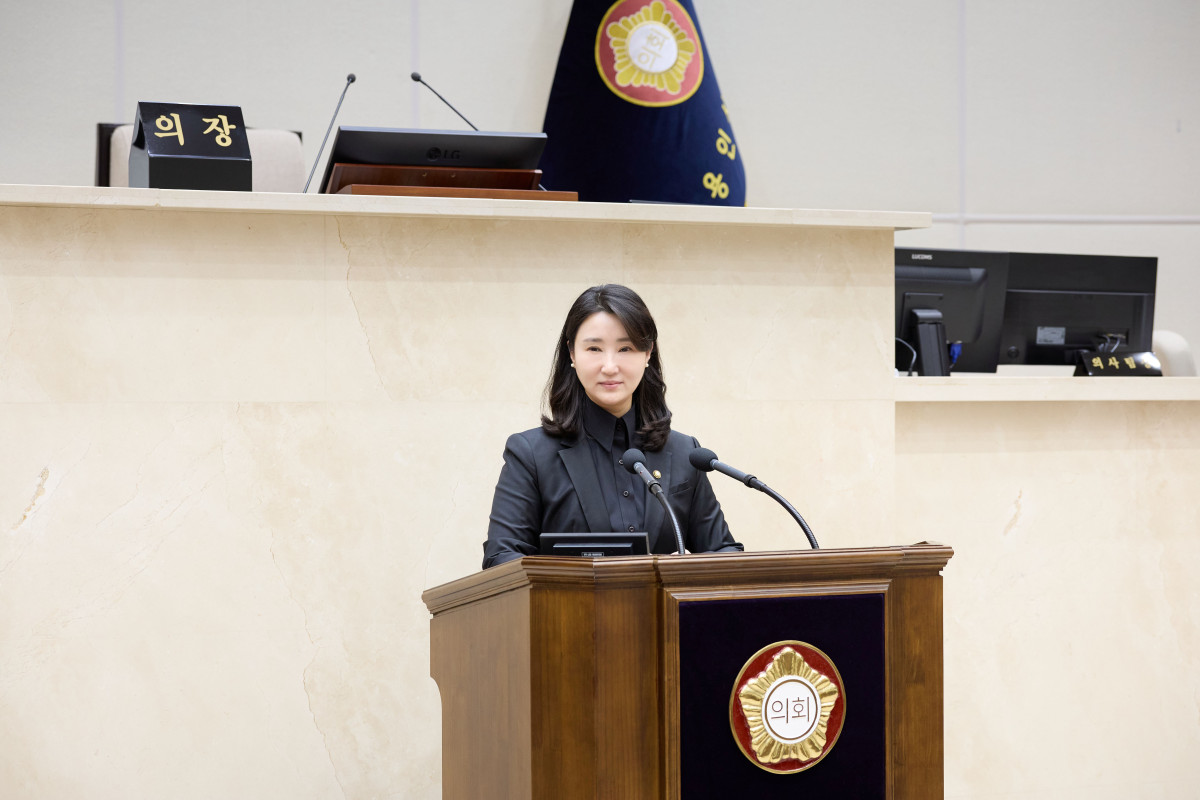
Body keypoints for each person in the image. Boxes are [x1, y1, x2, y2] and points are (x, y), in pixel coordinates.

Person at [483, 284, 743, 568]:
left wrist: (685, 571)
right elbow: (502, 559)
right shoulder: (531, 454)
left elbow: (725, 551)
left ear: (648, 353)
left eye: (625, 348)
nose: (609, 366)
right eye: (594, 348)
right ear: (572, 353)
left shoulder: (685, 452)